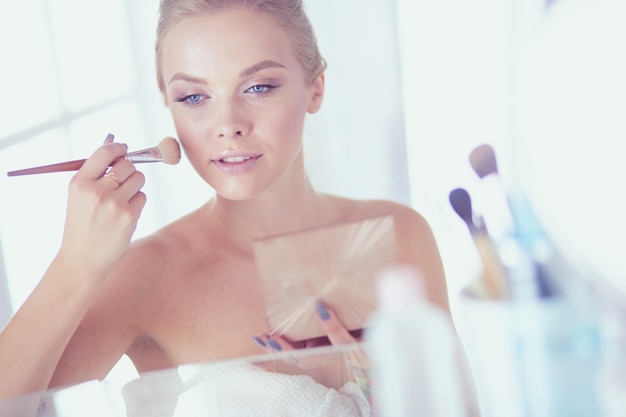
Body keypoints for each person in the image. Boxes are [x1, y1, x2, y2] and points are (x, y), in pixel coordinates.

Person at [0, 0, 449, 403]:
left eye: (258, 87)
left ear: (315, 89)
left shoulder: (399, 233)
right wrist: (75, 266)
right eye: (194, 97)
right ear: (169, 106)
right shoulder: (142, 277)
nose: (228, 125)